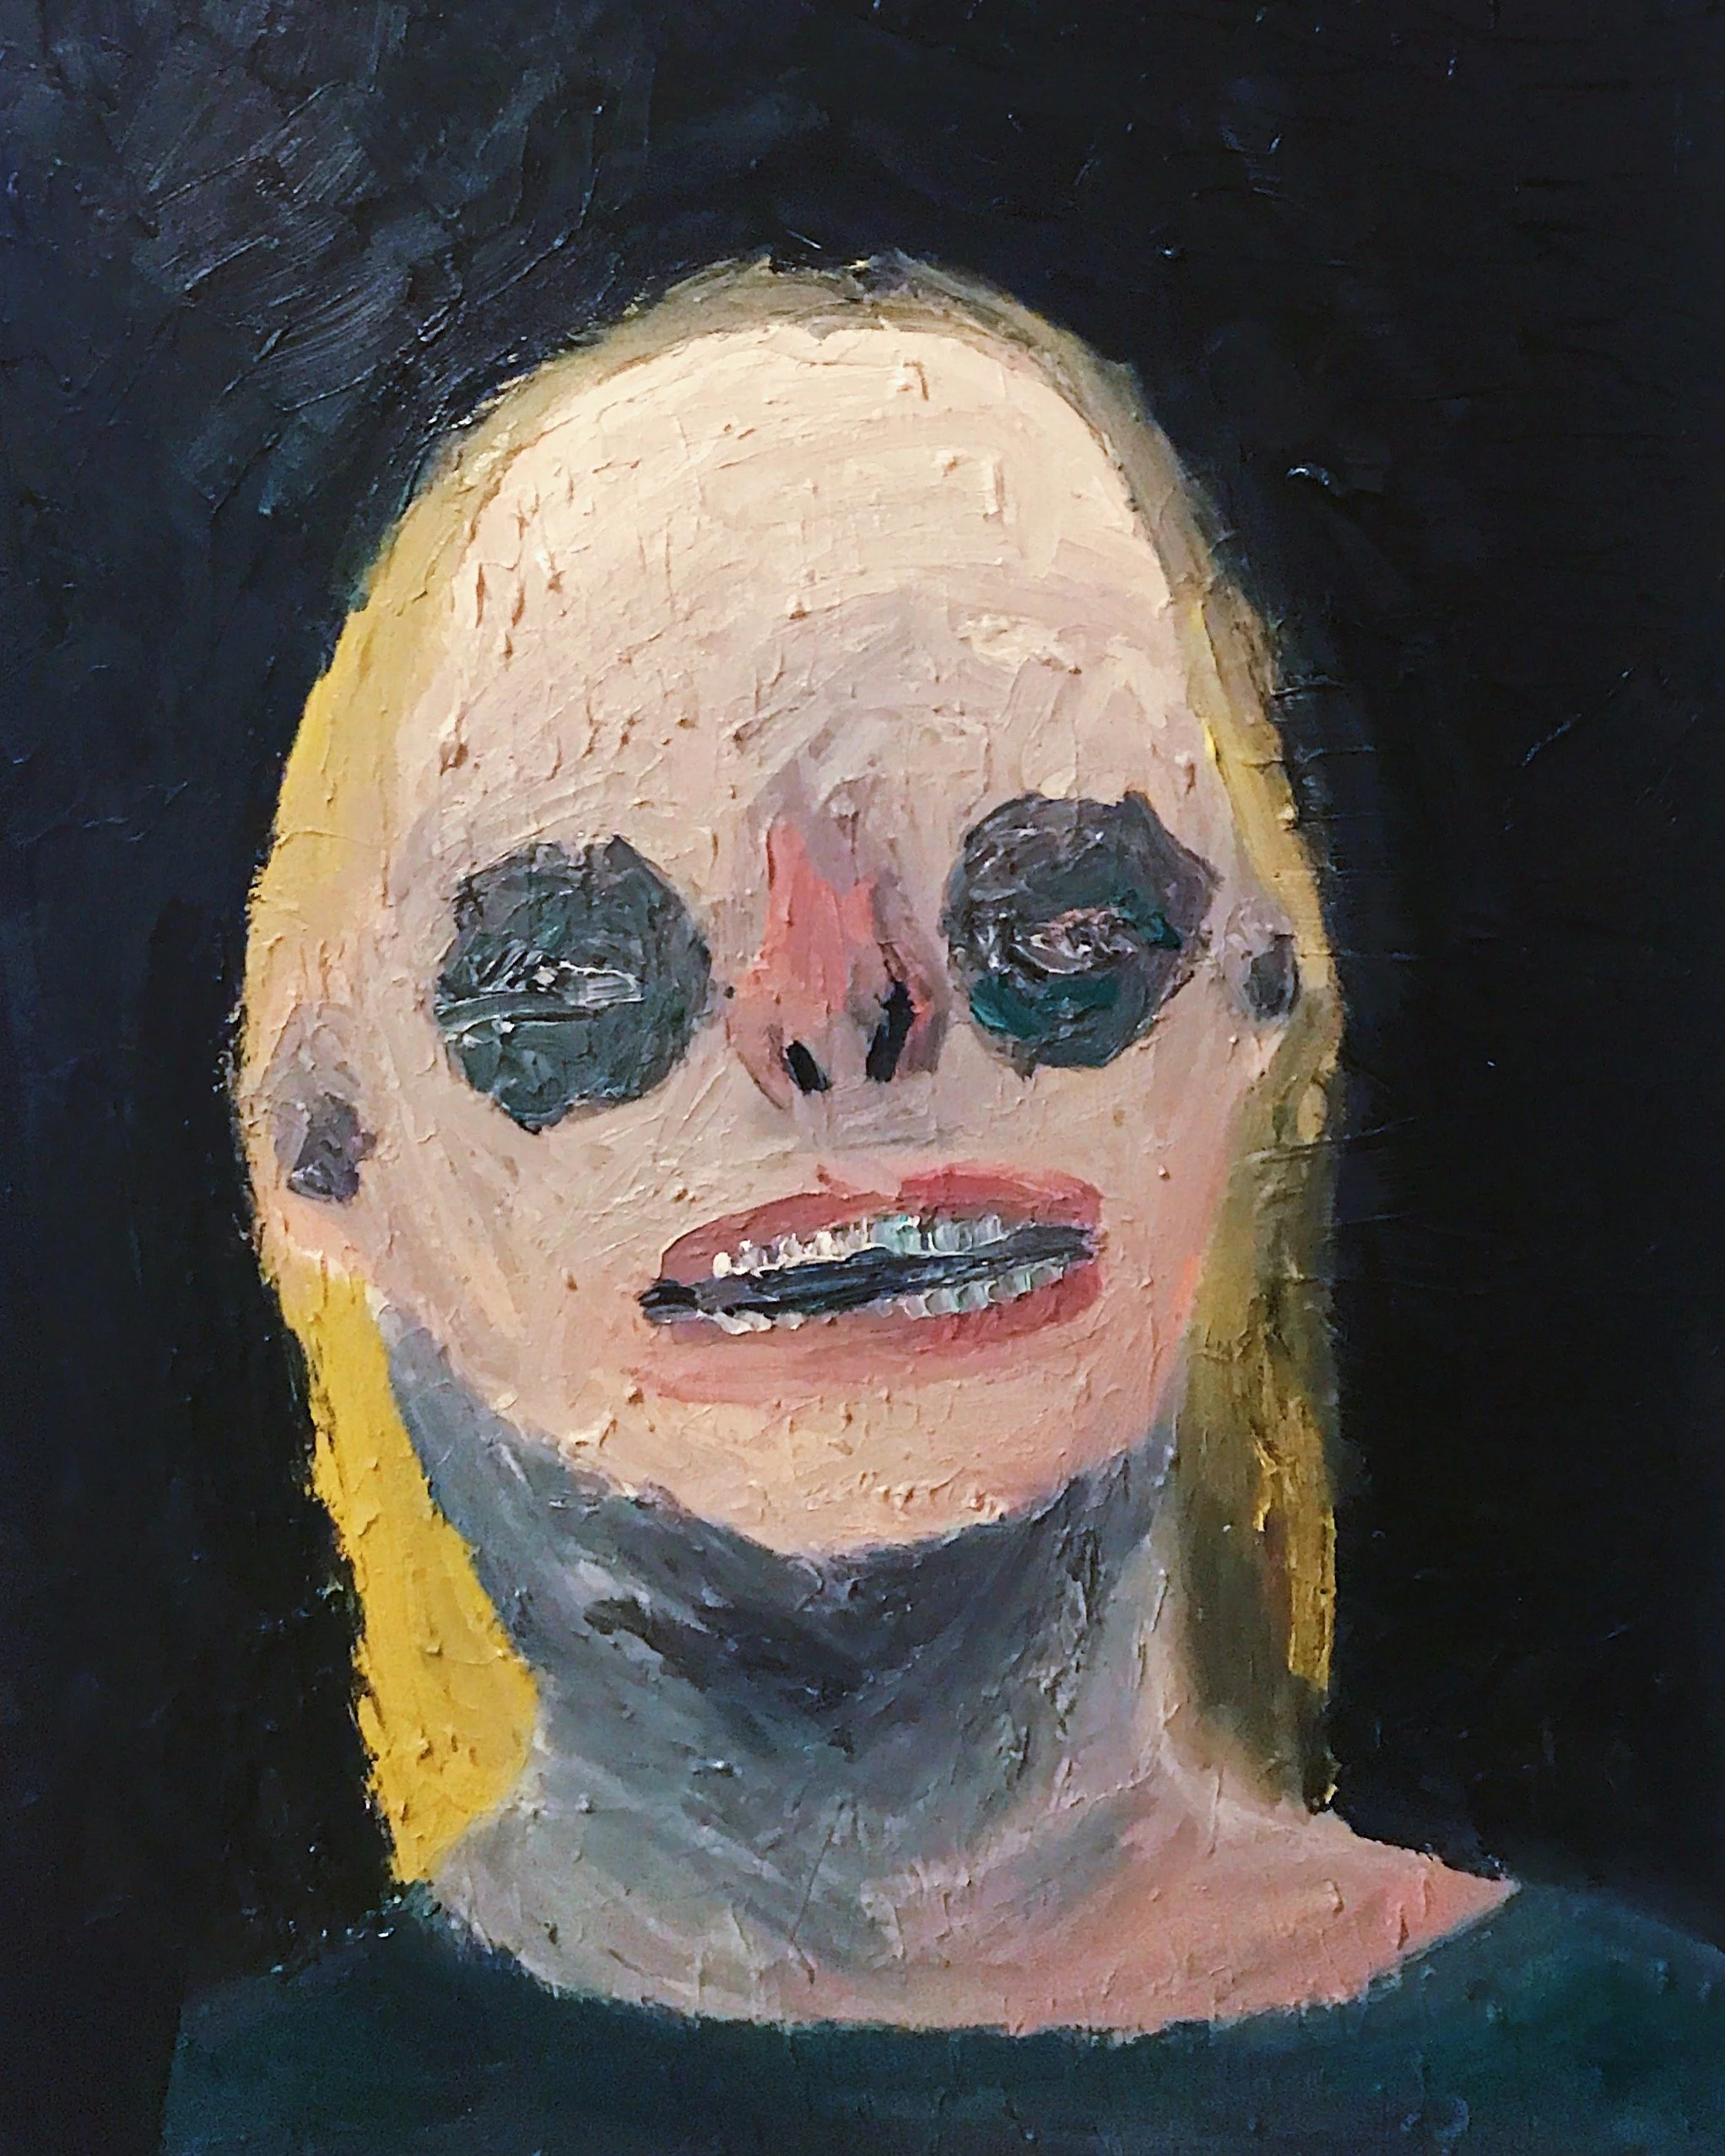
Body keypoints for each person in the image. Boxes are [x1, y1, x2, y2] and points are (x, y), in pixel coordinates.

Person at [166, 259, 1725, 2150]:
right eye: (579, 966)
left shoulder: (1643, 2081)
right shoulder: (241, 2114)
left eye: (1057, 923)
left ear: (1250, 1021)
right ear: (332, 1143)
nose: (843, 1019)